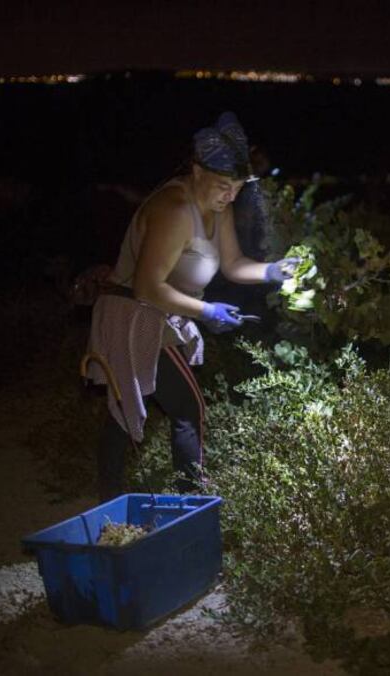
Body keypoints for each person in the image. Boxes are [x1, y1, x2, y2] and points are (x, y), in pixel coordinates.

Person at [86, 111, 298, 501]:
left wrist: (272, 270)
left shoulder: (220, 206)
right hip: (132, 315)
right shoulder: (174, 211)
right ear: (197, 170)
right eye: (223, 186)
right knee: (188, 406)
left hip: (162, 315)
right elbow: (148, 289)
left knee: (128, 406)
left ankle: (108, 497)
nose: (230, 196)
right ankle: (194, 501)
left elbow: (233, 264)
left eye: (237, 186)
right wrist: (207, 311)